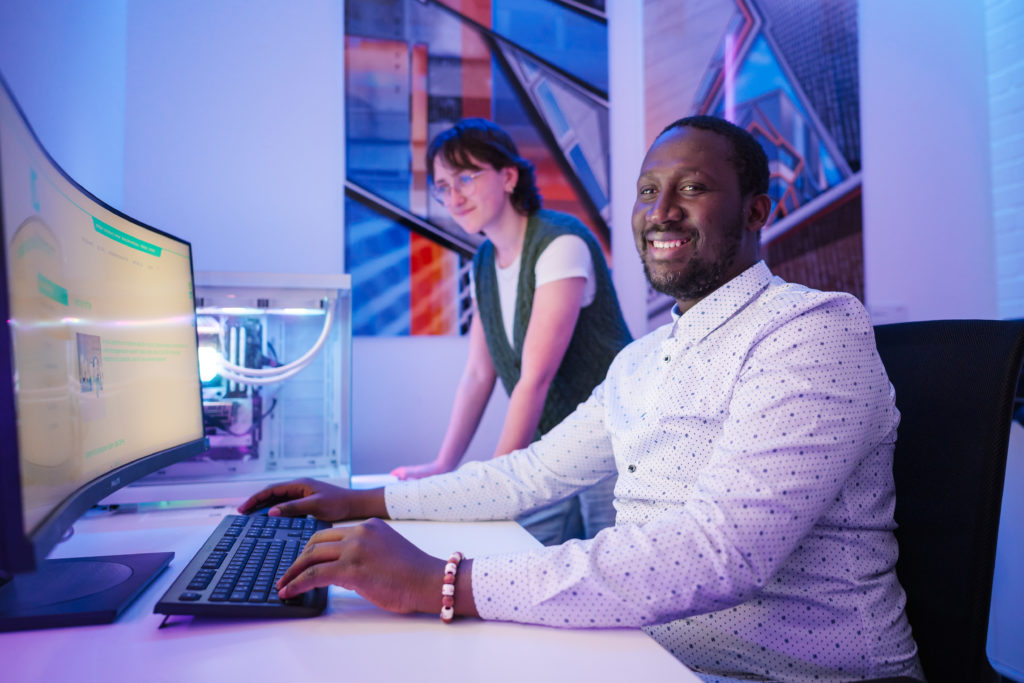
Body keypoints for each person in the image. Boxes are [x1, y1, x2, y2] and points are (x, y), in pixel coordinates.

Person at [241, 116, 924, 682]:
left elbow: (719, 554)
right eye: (647, 190)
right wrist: (360, 499)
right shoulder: (641, 360)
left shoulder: (812, 330)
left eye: (692, 188)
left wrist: (441, 582)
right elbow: (527, 474)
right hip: (652, 655)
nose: (660, 212)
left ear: (755, 212)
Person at [388, 118, 633, 545]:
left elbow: (533, 380)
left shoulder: (561, 244)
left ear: (508, 176)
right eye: (443, 186)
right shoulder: (483, 261)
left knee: (611, 573)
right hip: (551, 447)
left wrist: (493, 486)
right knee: (516, 555)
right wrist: (445, 464)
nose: (454, 195)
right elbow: (478, 375)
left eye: (465, 176)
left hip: (613, 443)